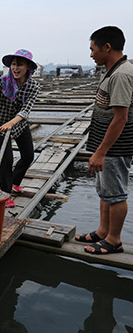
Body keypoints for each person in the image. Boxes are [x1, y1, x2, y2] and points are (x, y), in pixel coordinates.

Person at [75, 26, 133, 255]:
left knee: (116, 193)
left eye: (93, 49)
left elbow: (121, 118)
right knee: (105, 190)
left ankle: (114, 240)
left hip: (115, 146)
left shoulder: (121, 74)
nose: (91, 54)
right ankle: (103, 231)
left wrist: (101, 152)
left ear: (107, 47)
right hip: (106, 145)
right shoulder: (112, 70)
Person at [0, 49, 41, 207]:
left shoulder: (33, 86)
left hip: (19, 124)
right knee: (7, 160)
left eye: (20, 64)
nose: (16, 68)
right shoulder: (2, 81)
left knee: (28, 156)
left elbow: (25, 110)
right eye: (13, 64)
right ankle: (5, 193)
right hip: (1, 126)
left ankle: (14, 182)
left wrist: (12, 123)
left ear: (28, 67)